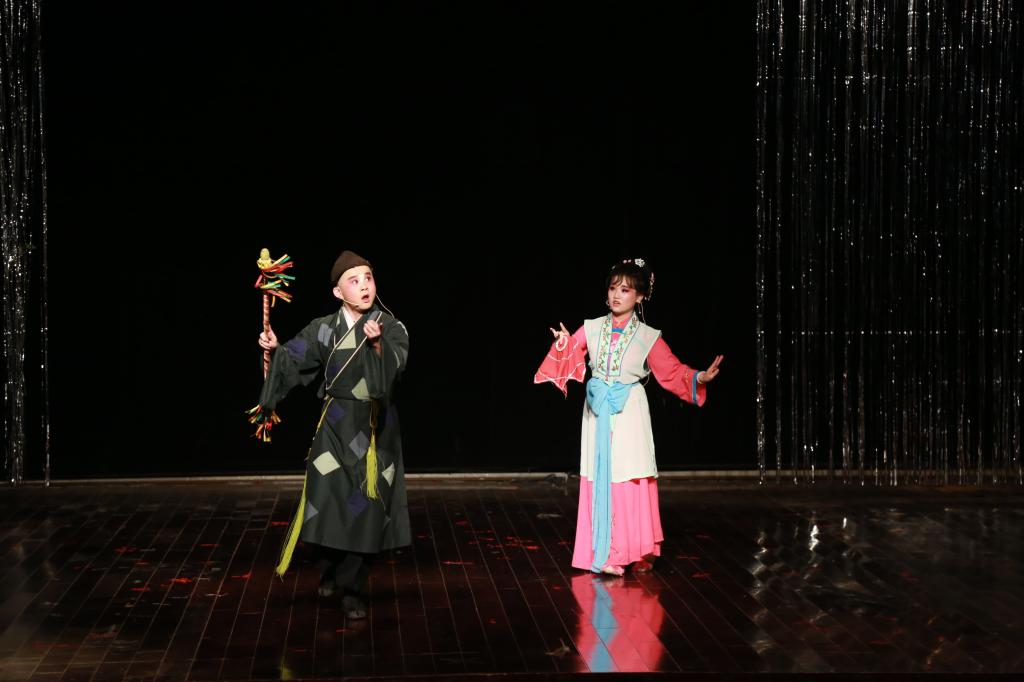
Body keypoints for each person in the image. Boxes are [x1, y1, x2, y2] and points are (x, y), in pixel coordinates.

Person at [534, 258, 723, 575]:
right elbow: (571, 357)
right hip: (598, 408)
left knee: (630, 475)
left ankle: (638, 548)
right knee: (601, 476)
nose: (616, 295)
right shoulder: (592, 327)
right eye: (613, 288)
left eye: (625, 290)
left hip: (629, 410)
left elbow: (671, 371)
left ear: (640, 296)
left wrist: (699, 378)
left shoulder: (648, 336)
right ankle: (607, 551)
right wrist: (564, 344)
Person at [255, 250, 410, 618]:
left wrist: (377, 346)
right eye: (354, 281)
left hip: (373, 430)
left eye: (368, 278)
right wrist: (276, 348)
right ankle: (329, 569)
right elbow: (294, 357)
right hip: (335, 425)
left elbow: (392, 372)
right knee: (325, 502)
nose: (364, 286)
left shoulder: (391, 328)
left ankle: (352, 589)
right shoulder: (324, 328)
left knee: (365, 509)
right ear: (339, 292)